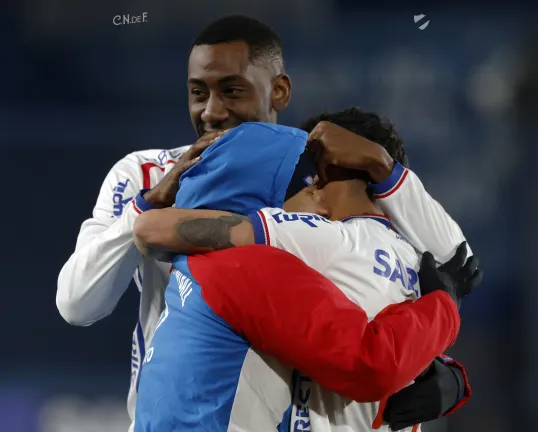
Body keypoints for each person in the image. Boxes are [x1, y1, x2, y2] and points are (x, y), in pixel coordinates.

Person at [56, 15, 474, 429]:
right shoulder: (146, 173)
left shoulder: (316, 175)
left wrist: (444, 368)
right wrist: (146, 206)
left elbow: (441, 270)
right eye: (198, 93)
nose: (211, 112)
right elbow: (77, 302)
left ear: (279, 90)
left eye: (232, 91)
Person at [132, 113, 481, 431]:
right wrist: (445, 347)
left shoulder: (308, 237)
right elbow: (454, 261)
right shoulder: (418, 263)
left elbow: (151, 230)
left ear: (322, 174)